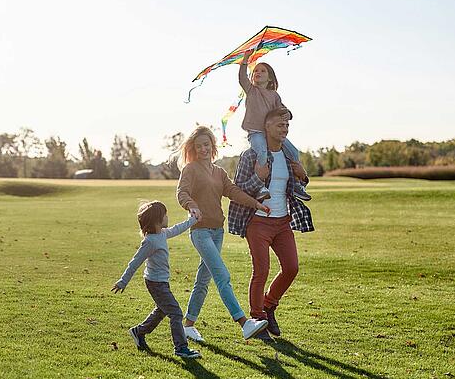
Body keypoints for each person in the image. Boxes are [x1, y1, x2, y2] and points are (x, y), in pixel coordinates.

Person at [176, 126, 271, 343]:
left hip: (218, 232)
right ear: (193, 149)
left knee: (203, 280)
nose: (203, 149)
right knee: (222, 276)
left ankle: (188, 325)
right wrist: (191, 206)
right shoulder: (190, 170)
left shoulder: (219, 172)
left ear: (212, 146)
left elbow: (234, 192)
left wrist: (256, 203)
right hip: (200, 232)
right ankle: (244, 323)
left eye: (206, 145)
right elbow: (182, 192)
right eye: (199, 146)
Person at [228, 108, 315, 341]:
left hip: (282, 222)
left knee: (291, 267)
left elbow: (297, 188)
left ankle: (269, 306)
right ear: (266, 127)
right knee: (261, 271)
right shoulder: (250, 156)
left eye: (287, 126)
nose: (284, 129)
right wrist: (258, 175)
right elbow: (238, 189)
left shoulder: (289, 157)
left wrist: (303, 176)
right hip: (257, 223)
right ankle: (257, 320)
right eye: (280, 125)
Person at [111, 201, 202, 359]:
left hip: (161, 282)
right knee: (176, 313)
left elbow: (177, 229)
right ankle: (181, 348)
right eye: (165, 215)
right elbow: (135, 262)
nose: (168, 217)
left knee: (161, 311)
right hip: (155, 283)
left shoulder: (162, 233)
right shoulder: (150, 241)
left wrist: (192, 221)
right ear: (157, 220)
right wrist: (123, 281)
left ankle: (138, 332)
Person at [239, 50, 311, 202]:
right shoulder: (251, 90)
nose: (258, 72)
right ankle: (260, 187)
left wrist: (288, 114)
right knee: (262, 154)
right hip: (256, 132)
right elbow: (241, 78)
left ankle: (297, 184)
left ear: (270, 77)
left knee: (293, 152)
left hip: (271, 133)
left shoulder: (274, 95)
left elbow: (283, 110)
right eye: (256, 71)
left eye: (263, 71)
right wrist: (245, 59)